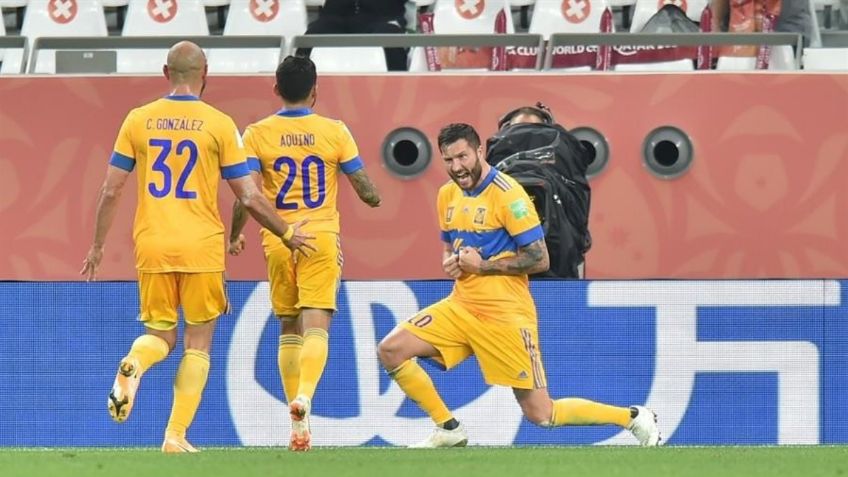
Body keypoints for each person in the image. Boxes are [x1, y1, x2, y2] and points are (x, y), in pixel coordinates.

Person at [80, 41, 315, 453]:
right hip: (201, 247)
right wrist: (286, 232)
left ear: (164, 72)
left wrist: (98, 246)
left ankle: (136, 361)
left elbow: (111, 189)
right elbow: (249, 196)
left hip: (151, 244)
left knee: (159, 335)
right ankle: (175, 435)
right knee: (198, 343)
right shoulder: (219, 123)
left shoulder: (138, 120)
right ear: (206, 71)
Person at [376, 123, 661, 448]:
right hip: (461, 306)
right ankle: (449, 428)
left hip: (506, 315)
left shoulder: (509, 195)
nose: (456, 167)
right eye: (448, 159)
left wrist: (482, 266)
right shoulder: (447, 195)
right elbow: (449, 245)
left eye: (462, 157)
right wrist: (450, 261)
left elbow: (540, 259)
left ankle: (633, 417)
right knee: (391, 350)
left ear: (479, 151)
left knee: (542, 414)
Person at [227, 56, 382, 452]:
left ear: (276, 89)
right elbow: (366, 191)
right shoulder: (334, 131)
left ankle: (296, 425)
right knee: (317, 325)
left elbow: (247, 195)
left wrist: (235, 235)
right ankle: (305, 398)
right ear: (316, 90)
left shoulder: (257, 133)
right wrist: (372, 194)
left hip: (279, 238)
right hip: (321, 237)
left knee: (288, 326)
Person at [295, 0, 408, 71]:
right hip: (336, 17)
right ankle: (293, 90)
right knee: (312, 36)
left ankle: (400, 91)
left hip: (382, 18)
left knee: (389, 37)